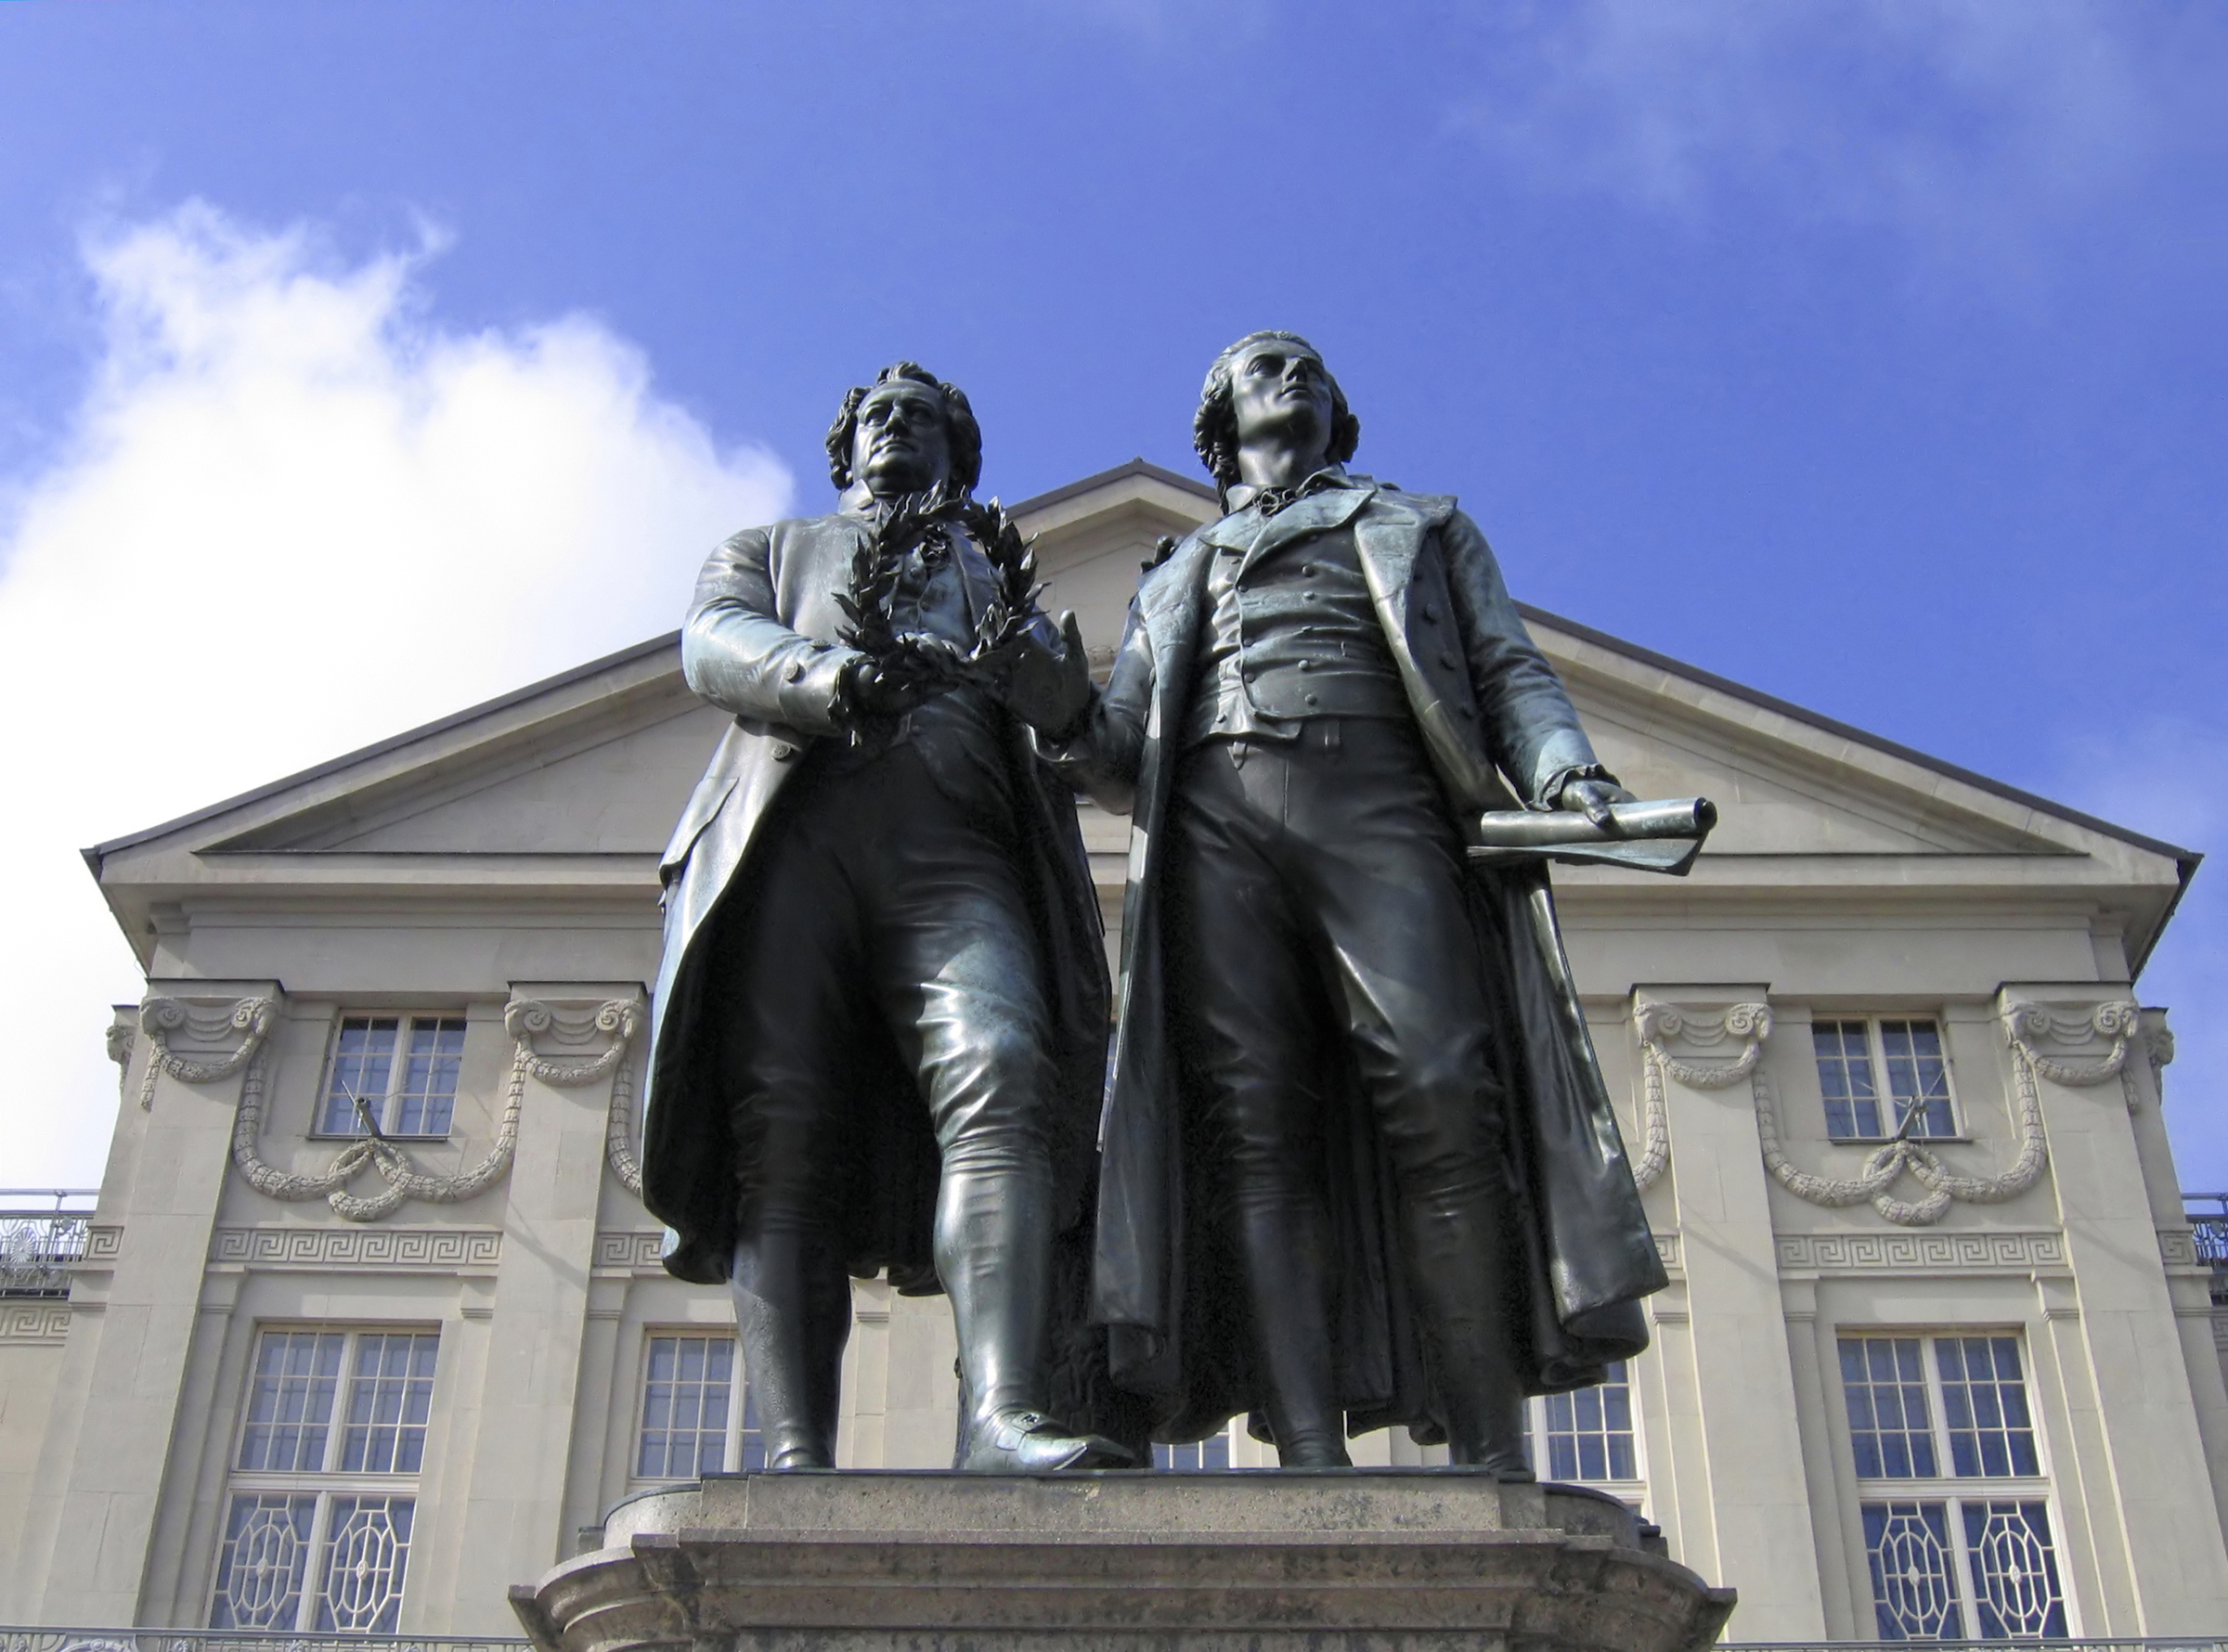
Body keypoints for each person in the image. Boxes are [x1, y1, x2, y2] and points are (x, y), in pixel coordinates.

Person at [1007, 331, 1666, 1471]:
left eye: (1309, 367)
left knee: (1446, 1097)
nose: (1294, 376)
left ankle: (1491, 1445)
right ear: (1220, 422)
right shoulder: (1176, 570)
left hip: (1383, 807)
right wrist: (1061, 714)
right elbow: (1120, 755)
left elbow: (1509, 669)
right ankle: (1310, 1455)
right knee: (1259, 1135)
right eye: (1265, 366)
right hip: (1218, 833)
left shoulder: (1422, 523)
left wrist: (1566, 770)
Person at [639, 362, 1129, 1472]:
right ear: (847, 448)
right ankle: (797, 1448)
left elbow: (1086, 741)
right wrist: (821, 674)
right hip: (795, 842)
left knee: (1005, 1072)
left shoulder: (999, 575)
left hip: (957, 849)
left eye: (921, 416)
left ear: (959, 451)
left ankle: (1000, 1417)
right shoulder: (770, 549)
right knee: (784, 1138)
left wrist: (1051, 686)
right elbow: (712, 639)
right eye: (878, 415)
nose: (896, 427)